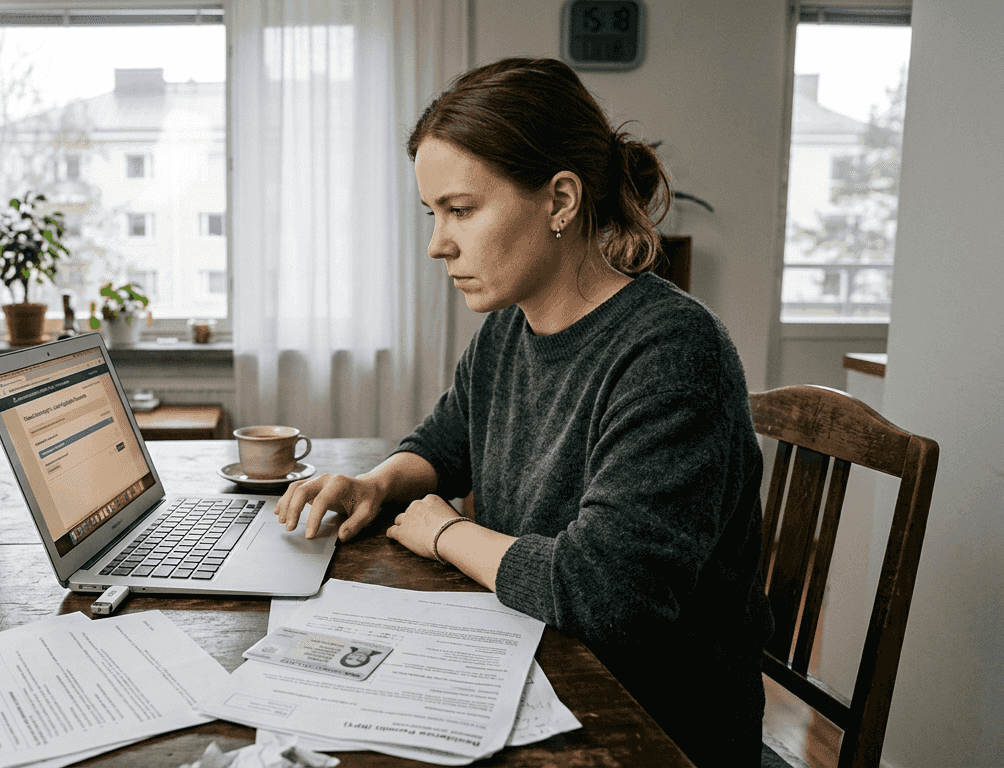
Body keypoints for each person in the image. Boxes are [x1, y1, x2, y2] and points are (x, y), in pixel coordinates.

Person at [273, 57, 774, 767]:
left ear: (561, 200)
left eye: (462, 210)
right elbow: (446, 441)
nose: (437, 243)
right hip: (532, 664)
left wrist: (447, 532)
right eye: (433, 213)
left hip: (652, 725)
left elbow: (608, 592)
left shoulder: (673, 353)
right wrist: (378, 485)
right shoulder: (510, 328)